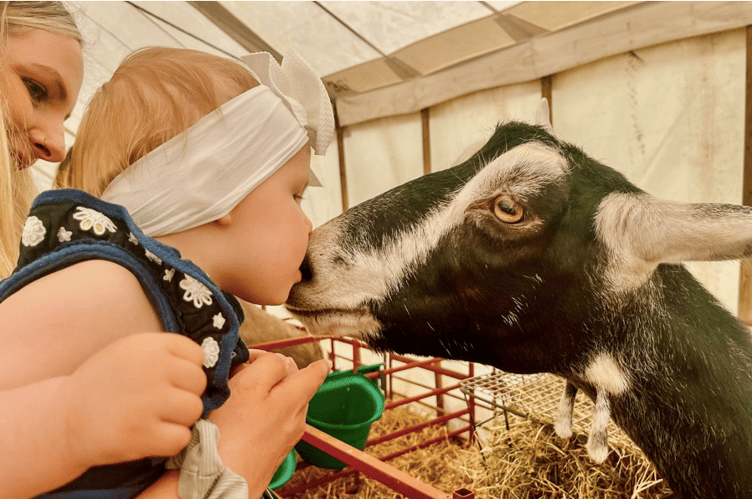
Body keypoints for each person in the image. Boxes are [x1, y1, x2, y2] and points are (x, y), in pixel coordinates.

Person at [0, 4, 327, 499]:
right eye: (296, 194)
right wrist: (68, 419)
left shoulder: (157, 300)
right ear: (218, 185)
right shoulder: (108, 286)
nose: (307, 224)